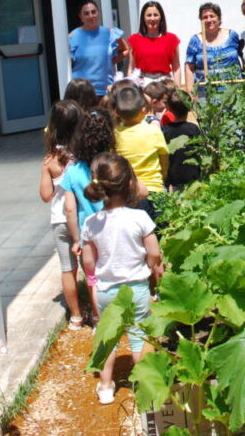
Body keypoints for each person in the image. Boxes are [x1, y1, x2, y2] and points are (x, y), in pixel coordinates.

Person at [80, 152, 164, 405]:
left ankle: (106, 386)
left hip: (106, 289)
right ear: (130, 183)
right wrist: (154, 272)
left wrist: (93, 284)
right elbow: (154, 253)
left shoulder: (91, 223)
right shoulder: (140, 218)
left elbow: (88, 262)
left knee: (107, 339)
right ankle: (142, 384)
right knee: (139, 335)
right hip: (136, 287)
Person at [62, 107, 115, 328]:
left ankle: (98, 318)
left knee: (93, 279)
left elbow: (70, 209)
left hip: (88, 233)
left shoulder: (72, 170)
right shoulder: (113, 165)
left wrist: (76, 239)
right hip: (114, 228)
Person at [39, 100, 82, 329]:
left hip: (59, 220)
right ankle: (96, 313)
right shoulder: (82, 156)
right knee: (91, 269)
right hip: (82, 219)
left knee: (67, 269)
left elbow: (46, 195)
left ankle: (75, 315)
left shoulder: (50, 161)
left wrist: (56, 184)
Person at [113, 85, 169, 221]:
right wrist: (163, 177)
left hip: (129, 193)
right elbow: (164, 159)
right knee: (160, 233)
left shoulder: (115, 135)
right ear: (144, 110)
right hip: (155, 190)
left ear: (117, 112)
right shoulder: (153, 131)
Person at [69, 0, 129, 97]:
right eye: (86, 13)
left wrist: (111, 61)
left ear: (98, 13)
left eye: (93, 12)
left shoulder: (110, 33)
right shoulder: (73, 36)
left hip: (106, 89)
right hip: (82, 91)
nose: (91, 16)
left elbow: (126, 50)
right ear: (81, 17)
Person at [183, 2, 242, 95]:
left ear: (219, 18)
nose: (209, 19)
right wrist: (190, 93)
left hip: (234, 92)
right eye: (205, 17)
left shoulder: (232, 36)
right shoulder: (195, 40)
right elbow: (189, 68)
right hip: (206, 95)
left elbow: (243, 58)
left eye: (212, 16)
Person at [127, 1, 181, 85]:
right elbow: (131, 68)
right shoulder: (135, 40)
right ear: (143, 18)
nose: (152, 18)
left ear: (161, 17)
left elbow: (176, 67)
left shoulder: (171, 39)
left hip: (165, 84)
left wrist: (177, 90)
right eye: (149, 15)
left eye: (155, 15)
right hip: (142, 84)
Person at [162, 91, 201, 191]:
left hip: (174, 178)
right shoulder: (193, 129)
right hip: (193, 176)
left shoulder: (165, 131)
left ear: (169, 108)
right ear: (189, 107)